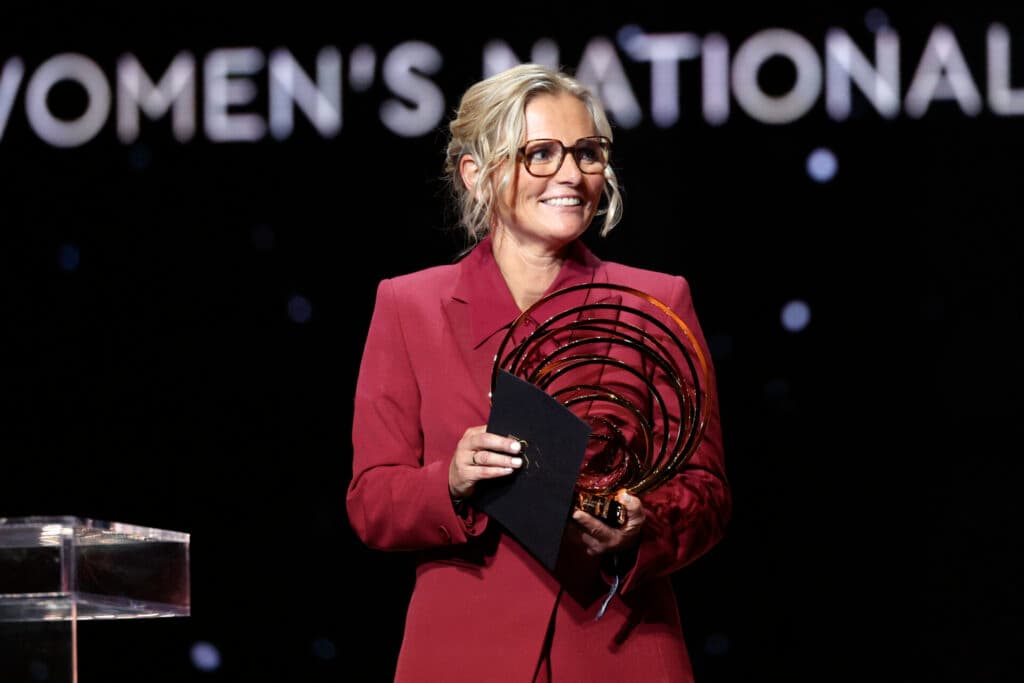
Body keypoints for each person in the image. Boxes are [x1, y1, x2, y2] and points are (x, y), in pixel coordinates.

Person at [346, 63, 731, 682]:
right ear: (476, 174)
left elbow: (706, 491)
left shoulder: (657, 302)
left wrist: (643, 524)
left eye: (587, 153)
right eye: (541, 154)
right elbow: (371, 500)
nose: (571, 175)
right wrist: (450, 481)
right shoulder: (408, 306)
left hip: (619, 648)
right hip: (463, 655)